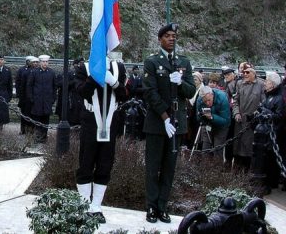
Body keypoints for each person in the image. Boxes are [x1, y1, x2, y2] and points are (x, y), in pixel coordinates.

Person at [142, 23, 195, 224]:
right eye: (167, 36)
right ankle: (151, 207)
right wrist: (164, 118)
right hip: (157, 123)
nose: (172, 39)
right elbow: (150, 92)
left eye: (174, 36)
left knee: (169, 167)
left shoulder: (183, 62)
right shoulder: (152, 62)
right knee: (153, 166)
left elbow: (190, 92)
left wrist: (181, 83)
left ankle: (163, 206)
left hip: (177, 123)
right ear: (160, 39)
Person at [74, 55, 129, 223]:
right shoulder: (84, 67)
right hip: (90, 122)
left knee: (105, 164)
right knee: (86, 163)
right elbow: (82, 91)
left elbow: (124, 96)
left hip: (111, 122)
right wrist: (95, 76)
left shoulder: (118, 67)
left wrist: (113, 82)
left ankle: (96, 206)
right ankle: (84, 205)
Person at [231, 63, 265, 172]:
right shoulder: (239, 84)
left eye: (247, 72)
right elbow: (235, 101)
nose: (245, 74)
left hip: (252, 123)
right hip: (240, 122)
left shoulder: (261, 84)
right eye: (243, 72)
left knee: (249, 151)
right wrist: (236, 113)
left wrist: (255, 114)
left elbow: (263, 103)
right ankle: (236, 176)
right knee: (237, 150)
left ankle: (248, 176)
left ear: (254, 73)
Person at [261, 71, 284, 193]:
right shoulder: (268, 96)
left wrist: (265, 111)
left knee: (271, 158)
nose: (265, 83)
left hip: (274, 132)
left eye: (267, 81)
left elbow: (279, 116)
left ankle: (271, 182)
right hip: (267, 131)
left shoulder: (278, 99)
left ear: (273, 84)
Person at [27, 54, 58, 143]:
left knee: (46, 119)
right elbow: (29, 86)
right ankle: (37, 137)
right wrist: (31, 98)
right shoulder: (34, 72)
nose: (45, 63)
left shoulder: (51, 72)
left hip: (47, 100)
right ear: (40, 62)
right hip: (37, 100)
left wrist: (53, 99)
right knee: (37, 119)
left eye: (46, 62)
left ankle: (44, 137)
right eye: (43, 62)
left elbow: (54, 86)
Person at [195, 84, 231, 158]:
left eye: (209, 100)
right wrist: (202, 117)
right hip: (207, 125)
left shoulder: (222, 97)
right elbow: (198, 118)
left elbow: (226, 120)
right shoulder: (200, 99)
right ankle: (205, 167)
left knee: (218, 149)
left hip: (221, 126)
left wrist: (212, 117)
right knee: (205, 149)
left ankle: (217, 168)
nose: (207, 103)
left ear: (212, 95)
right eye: (205, 101)